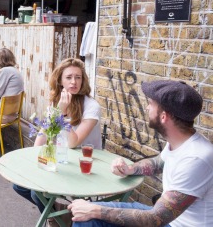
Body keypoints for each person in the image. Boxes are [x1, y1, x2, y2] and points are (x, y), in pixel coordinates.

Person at [68, 80, 213, 227]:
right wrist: (131, 169)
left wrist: (95, 210)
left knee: (90, 217)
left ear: (164, 117)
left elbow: (155, 219)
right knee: (85, 220)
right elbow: (159, 162)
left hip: (174, 224)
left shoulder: (196, 158)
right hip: (165, 219)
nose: (147, 107)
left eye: (150, 103)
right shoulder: (180, 140)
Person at [13, 58, 101, 211]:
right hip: (63, 159)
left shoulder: (91, 106)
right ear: (60, 81)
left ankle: (55, 217)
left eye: (78, 77)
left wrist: (62, 114)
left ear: (83, 80)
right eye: (69, 77)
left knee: (36, 193)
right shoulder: (57, 102)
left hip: (85, 164)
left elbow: (74, 143)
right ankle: (58, 214)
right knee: (19, 185)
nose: (74, 82)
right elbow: (41, 140)